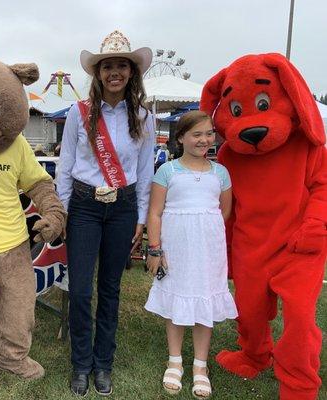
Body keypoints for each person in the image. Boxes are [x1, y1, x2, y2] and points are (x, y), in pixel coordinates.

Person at [57, 30, 154, 396]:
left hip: (123, 208)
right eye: (108, 66)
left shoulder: (143, 116)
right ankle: (81, 364)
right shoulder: (77, 112)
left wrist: (141, 218)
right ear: (98, 73)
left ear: (131, 72)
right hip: (83, 207)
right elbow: (65, 166)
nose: (115, 72)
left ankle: (103, 364)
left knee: (110, 290)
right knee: (81, 291)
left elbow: (145, 172)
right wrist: (63, 211)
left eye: (122, 66)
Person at [144, 110, 238, 398]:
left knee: (203, 304)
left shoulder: (220, 172)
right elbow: (156, 212)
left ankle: (200, 365)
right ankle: (175, 360)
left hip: (208, 250)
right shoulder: (168, 171)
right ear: (181, 137)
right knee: (176, 301)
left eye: (209, 133)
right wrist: (155, 248)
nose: (204, 139)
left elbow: (224, 211)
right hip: (176, 247)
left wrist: (203, 231)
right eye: (196, 134)